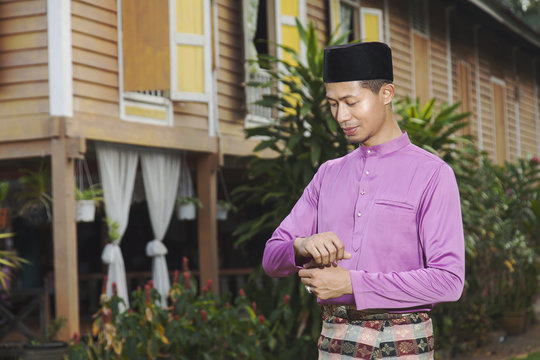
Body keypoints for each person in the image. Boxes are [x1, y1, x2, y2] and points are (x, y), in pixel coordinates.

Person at [262, 42, 465, 359]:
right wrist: (301, 246)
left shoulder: (432, 174)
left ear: (386, 94)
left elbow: (448, 281)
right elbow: (272, 257)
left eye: (351, 102)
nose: (341, 116)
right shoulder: (328, 175)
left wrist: (350, 285)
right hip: (334, 342)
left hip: (403, 342)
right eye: (332, 104)